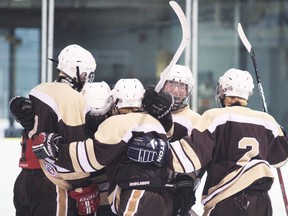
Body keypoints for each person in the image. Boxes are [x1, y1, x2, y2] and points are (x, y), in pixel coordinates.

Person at [31, 78, 174, 216]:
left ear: (115, 101)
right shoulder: (155, 122)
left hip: (136, 195)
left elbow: (91, 156)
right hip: (162, 195)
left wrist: (56, 150)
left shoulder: (116, 123)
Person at [167, 68, 288, 216]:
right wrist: (281, 132)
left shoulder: (215, 117)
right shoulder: (266, 121)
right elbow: (280, 159)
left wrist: (160, 153)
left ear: (223, 91)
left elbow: (189, 155)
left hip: (226, 199)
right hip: (260, 202)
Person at [10, 44, 99, 216]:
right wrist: (82, 186)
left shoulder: (39, 89)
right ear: (80, 71)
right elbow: (74, 146)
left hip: (24, 180)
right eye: (88, 74)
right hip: (51, 182)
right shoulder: (72, 97)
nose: (88, 79)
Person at [160, 64, 201, 216]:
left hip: (177, 188)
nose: (176, 91)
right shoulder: (149, 114)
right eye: (171, 84)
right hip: (150, 188)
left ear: (188, 91)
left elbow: (200, 155)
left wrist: (188, 178)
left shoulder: (196, 120)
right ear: (162, 85)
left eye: (181, 86)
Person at [81, 81, 116, 216]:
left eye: (102, 115)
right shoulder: (74, 126)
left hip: (109, 193)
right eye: (93, 116)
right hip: (84, 192)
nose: (97, 120)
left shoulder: (118, 124)